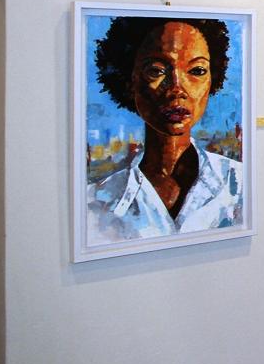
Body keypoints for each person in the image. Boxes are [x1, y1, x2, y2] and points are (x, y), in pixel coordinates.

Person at [88, 17, 242, 242]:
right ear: (129, 81)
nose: (177, 88)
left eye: (197, 71)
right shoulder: (95, 204)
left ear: (212, 79)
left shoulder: (239, 184)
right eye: (156, 71)